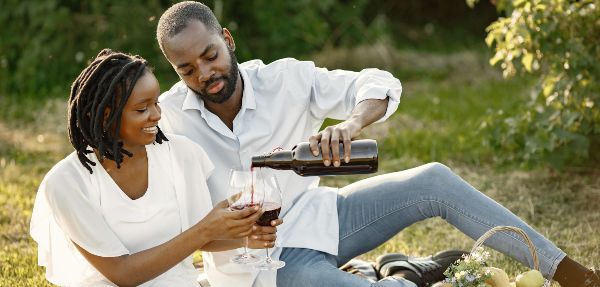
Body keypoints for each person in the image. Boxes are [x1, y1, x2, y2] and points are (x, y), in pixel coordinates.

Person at [155, 2, 600, 287]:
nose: (204, 74)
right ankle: (406, 275)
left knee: (434, 180)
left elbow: (378, 83)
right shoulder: (169, 118)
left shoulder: (285, 79)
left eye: (210, 55)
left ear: (227, 40)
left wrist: (350, 123)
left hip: (321, 219)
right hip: (264, 269)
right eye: (186, 69)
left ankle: (573, 275)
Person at [29, 49, 281, 286]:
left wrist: (246, 238)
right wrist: (206, 228)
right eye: (142, 109)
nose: (157, 115)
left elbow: (205, 238)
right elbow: (122, 274)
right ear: (106, 114)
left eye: (156, 103)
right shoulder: (67, 183)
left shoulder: (182, 154)